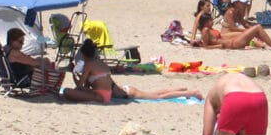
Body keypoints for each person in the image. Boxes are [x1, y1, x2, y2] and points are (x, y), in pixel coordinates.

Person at [61, 38, 201, 103]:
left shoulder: (89, 65)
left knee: (157, 97)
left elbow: (80, 87)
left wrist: (75, 75)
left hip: (117, 95)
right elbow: (91, 86)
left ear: (85, 55)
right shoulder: (100, 63)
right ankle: (181, 88)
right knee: (155, 94)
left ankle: (191, 92)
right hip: (123, 90)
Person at [2, 28, 65, 92]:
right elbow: (34, 63)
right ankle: (54, 85)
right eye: (20, 42)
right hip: (23, 79)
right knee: (45, 62)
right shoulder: (14, 53)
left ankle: (55, 79)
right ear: (12, 41)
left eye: (23, 42)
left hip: (14, 76)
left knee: (42, 59)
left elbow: (30, 61)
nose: (22, 44)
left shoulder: (5, 49)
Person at [196, 13, 271, 51]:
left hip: (233, 41)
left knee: (254, 31)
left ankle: (269, 45)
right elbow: (206, 46)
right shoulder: (205, 30)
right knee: (258, 27)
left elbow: (221, 36)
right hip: (233, 44)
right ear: (206, 22)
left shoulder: (210, 29)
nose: (212, 21)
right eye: (211, 20)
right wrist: (219, 46)